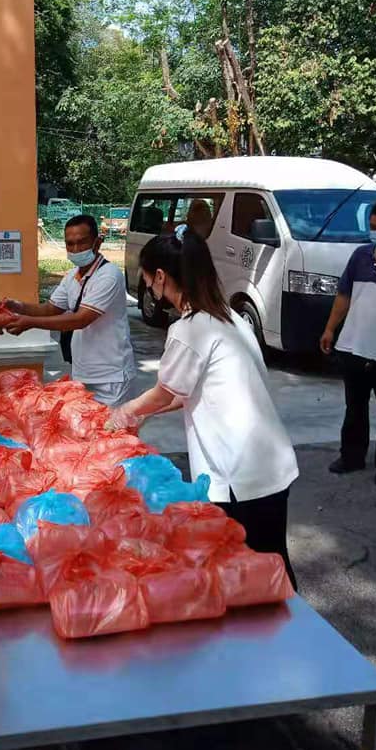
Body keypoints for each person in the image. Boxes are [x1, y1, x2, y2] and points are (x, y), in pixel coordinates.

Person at [109, 226, 299, 587]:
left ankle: (288, 641)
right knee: (274, 566)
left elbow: (166, 392)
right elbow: (187, 393)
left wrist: (125, 412)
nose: (148, 287)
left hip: (240, 474)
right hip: (269, 465)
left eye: (148, 279)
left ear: (161, 277)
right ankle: (299, 636)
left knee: (255, 578)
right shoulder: (227, 318)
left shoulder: (191, 328)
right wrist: (141, 413)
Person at [5, 214, 136, 407]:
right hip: (83, 373)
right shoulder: (72, 276)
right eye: (70, 244)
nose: (75, 249)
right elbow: (50, 309)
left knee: (113, 433)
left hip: (111, 377)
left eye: (82, 243)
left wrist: (29, 322)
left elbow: (80, 319)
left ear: (97, 243)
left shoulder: (109, 275)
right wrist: (17, 307)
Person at [320, 198, 376, 488]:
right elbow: (343, 295)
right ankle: (352, 457)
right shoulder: (360, 256)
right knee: (354, 407)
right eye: (373, 227)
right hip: (352, 347)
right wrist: (330, 328)